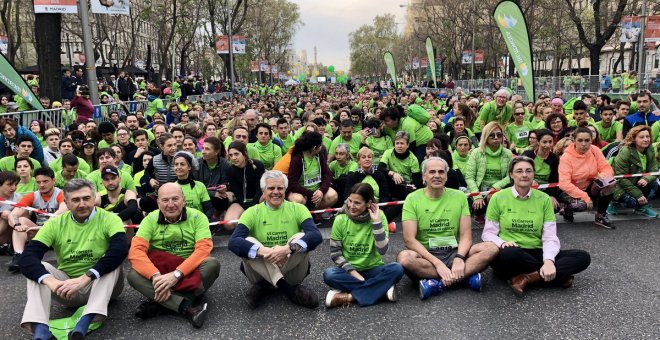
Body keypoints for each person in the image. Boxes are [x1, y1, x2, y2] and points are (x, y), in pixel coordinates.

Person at [18, 179, 128, 340]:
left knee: (112, 260)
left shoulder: (110, 219)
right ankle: (41, 330)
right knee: (38, 267)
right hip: (67, 290)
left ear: (94, 198)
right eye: (76, 200)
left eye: (86, 198)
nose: (82, 204)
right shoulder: (55, 224)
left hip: (103, 287)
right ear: (66, 203)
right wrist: (51, 282)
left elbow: (120, 250)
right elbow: (28, 257)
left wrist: (85, 278)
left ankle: (85, 322)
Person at [482, 157, 591, 296]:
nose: (524, 175)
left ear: (533, 174)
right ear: (511, 174)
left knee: (582, 257)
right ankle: (557, 277)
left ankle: (527, 278)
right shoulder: (498, 198)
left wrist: (549, 260)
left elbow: (550, 236)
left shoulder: (544, 199)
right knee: (509, 254)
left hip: (537, 251)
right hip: (511, 251)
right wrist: (503, 243)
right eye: (519, 171)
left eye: (529, 171)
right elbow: (488, 234)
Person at [397, 157, 498, 299]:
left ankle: (437, 283)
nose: (437, 175)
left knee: (491, 248)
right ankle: (463, 278)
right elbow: (409, 240)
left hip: (454, 251)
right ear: (423, 176)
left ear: (446, 176)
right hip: (427, 255)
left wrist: (459, 258)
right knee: (405, 258)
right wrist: (437, 263)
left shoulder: (459, 196)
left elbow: (466, 236)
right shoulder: (412, 199)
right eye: (432, 172)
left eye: (441, 172)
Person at [127, 183, 220, 328]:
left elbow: (203, 249)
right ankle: (188, 306)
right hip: (160, 271)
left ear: (183, 200)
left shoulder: (198, 217)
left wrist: (176, 275)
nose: (170, 205)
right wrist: (155, 276)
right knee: (133, 275)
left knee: (212, 264)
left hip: (188, 270)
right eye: (165, 200)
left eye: (175, 199)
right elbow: (136, 251)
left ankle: (161, 305)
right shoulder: (149, 219)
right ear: (158, 202)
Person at [228, 170, 323, 309]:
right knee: (248, 241)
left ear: (285, 189)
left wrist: (286, 249)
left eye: (280, 188)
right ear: (263, 190)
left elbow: (316, 236)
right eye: (271, 188)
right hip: (260, 271)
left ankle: (264, 286)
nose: (276, 192)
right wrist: (266, 252)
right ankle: (288, 290)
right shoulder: (252, 212)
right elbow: (233, 242)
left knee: (301, 238)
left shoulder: (299, 208)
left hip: (291, 269)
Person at [323, 183, 403, 307]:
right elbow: (335, 253)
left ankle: (349, 297)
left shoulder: (379, 216)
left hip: (373, 268)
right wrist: (356, 275)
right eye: (350, 201)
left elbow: (382, 250)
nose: (351, 206)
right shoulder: (341, 219)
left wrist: (376, 222)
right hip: (349, 271)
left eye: (357, 203)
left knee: (397, 269)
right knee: (329, 274)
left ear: (368, 203)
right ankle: (380, 290)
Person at [7, 168, 68, 273]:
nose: (42, 185)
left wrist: (48, 223)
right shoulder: (32, 196)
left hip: (59, 231)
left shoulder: (61, 194)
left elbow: (63, 209)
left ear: (54, 181)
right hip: (39, 231)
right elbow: (14, 214)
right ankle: (19, 255)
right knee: (21, 220)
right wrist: (16, 224)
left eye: (45, 181)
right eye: (38, 182)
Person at [558, 126, 616, 229]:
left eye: (587, 140)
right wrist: (585, 197)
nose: (583, 144)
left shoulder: (595, 150)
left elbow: (607, 169)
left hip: (590, 185)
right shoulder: (566, 157)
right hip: (571, 191)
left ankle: (600, 215)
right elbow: (564, 184)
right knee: (580, 206)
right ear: (574, 140)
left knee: (610, 182)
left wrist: (602, 177)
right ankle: (567, 208)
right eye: (580, 140)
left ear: (591, 140)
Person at [464, 122, 513, 223]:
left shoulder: (508, 153)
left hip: (499, 189)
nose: (496, 138)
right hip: (480, 190)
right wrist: (477, 196)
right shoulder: (476, 153)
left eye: (499, 135)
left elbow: (510, 176)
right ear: (486, 136)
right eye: (491, 135)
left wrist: (495, 188)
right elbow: (469, 177)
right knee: (478, 209)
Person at [608, 126, 658, 217]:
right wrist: (638, 194)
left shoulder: (650, 149)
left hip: (636, 180)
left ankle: (641, 207)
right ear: (633, 138)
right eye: (641, 137)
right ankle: (614, 202)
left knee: (653, 183)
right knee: (631, 202)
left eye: (648, 136)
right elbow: (620, 178)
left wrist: (646, 178)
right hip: (618, 184)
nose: (646, 139)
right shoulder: (626, 151)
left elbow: (654, 170)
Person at [287, 131, 338, 210]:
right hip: (302, 192)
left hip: (317, 190)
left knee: (333, 195)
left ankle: (314, 211)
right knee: (297, 200)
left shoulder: (318, 154)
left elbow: (327, 174)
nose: (321, 147)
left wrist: (321, 191)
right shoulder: (297, 158)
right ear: (314, 148)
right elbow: (292, 183)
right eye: (320, 145)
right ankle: (303, 213)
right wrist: (311, 194)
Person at [220, 141, 266, 230]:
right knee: (229, 224)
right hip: (242, 201)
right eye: (231, 155)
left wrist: (252, 206)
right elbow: (237, 192)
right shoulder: (230, 170)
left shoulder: (258, 165)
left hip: (258, 199)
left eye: (236, 154)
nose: (233, 158)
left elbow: (259, 189)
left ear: (244, 153)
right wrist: (246, 208)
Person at [96, 165, 141, 237]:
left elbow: (132, 208)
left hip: (129, 234)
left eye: (113, 178)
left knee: (126, 218)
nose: (110, 182)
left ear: (119, 179)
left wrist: (113, 221)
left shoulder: (128, 193)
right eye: (106, 179)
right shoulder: (99, 196)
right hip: (105, 232)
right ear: (102, 182)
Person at [522, 129, 561, 209]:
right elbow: (520, 172)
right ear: (538, 142)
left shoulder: (555, 159)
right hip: (527, 187)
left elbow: (554, 181)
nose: (548, 145)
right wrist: (530, 180)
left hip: (545, 190)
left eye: (550, 142)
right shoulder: (527, 155)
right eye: (544, 142)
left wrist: (552, 196)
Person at [172, 151, 213, 217]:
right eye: (176, 164)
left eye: (182, 164)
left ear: (189, 167)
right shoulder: (171, 187)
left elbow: (209, 209)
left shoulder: (200, 186)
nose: (178, 167)